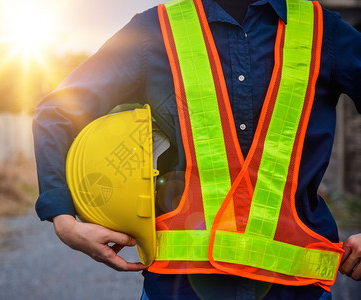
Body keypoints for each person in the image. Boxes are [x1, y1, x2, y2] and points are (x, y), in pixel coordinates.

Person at [32, 0, 361, 298]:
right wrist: (64, 220)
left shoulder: (321, 30)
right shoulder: (155, 30)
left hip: (296, 289)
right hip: (178, 289)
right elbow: (57, 113)